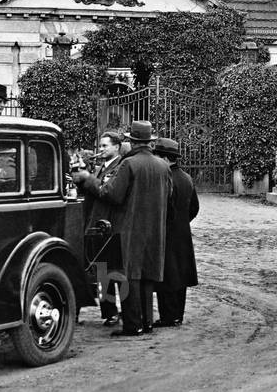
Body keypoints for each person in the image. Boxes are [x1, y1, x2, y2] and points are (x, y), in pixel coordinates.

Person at [73, 120, 172, 336]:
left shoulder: (129, 164)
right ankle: (146, 323)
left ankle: (132, 325)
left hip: (130, 229)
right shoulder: (163, 166)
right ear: (149, 141)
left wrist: (89, 179)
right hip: (155, 230)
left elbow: (112, 194)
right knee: (147, 275)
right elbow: (169, 196)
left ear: (132, 142)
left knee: (130, 276)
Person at [153, 138, 199, 326]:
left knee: (168, 275)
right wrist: (183, 221)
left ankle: (168, 316)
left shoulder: (165, 178)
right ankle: (178, 314)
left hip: (167, 232)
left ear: (165, 158)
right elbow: (194, 208)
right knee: (181, 273)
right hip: (183, 232)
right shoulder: (187, 177)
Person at [83, 130, 125, 327]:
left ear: (116, 147)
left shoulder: (120, 167)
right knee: (101, 272)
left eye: (105, 146)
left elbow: (108, 193)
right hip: (98, 226)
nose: (101, 150)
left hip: (111, 227)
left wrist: (89, 179)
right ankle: (108, 311)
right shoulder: (101, 168)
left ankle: (120, 310)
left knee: (115, 271)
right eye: (100, 146)